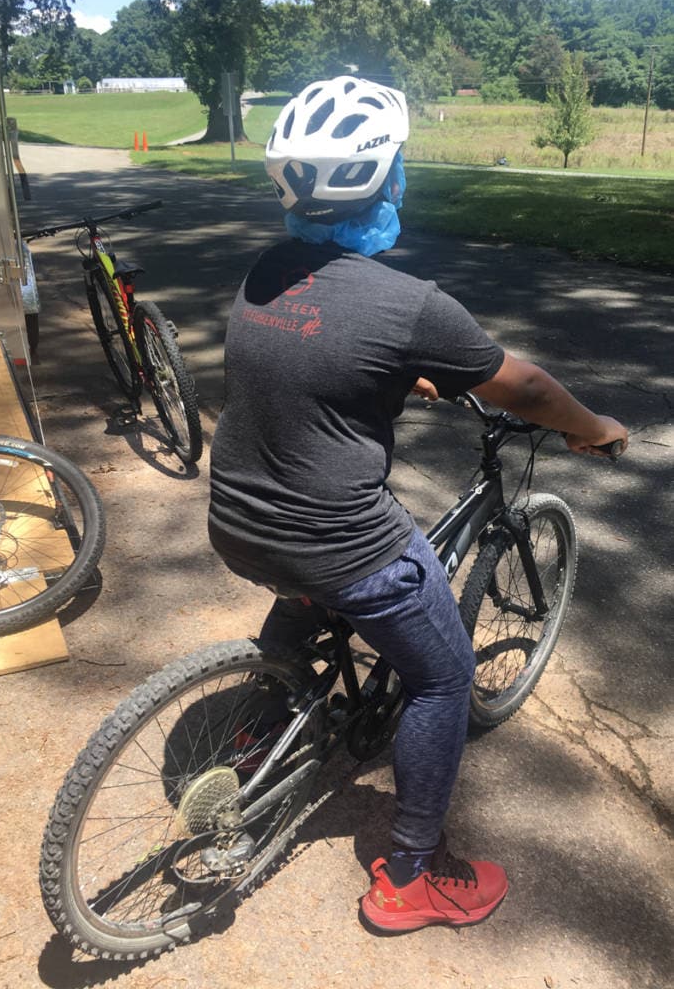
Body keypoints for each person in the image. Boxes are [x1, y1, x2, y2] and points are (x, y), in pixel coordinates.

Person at [208, 75, 628, 933]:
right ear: (385, 176)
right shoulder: (407, 304)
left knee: (306, 581)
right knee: (441, 676)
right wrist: (592, 429)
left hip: (237, 520)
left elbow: (317, 349)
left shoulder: (267, 270)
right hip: (336, 540)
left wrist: (406, 372)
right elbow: (531, 387)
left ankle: (259, 722)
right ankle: (410, 876)